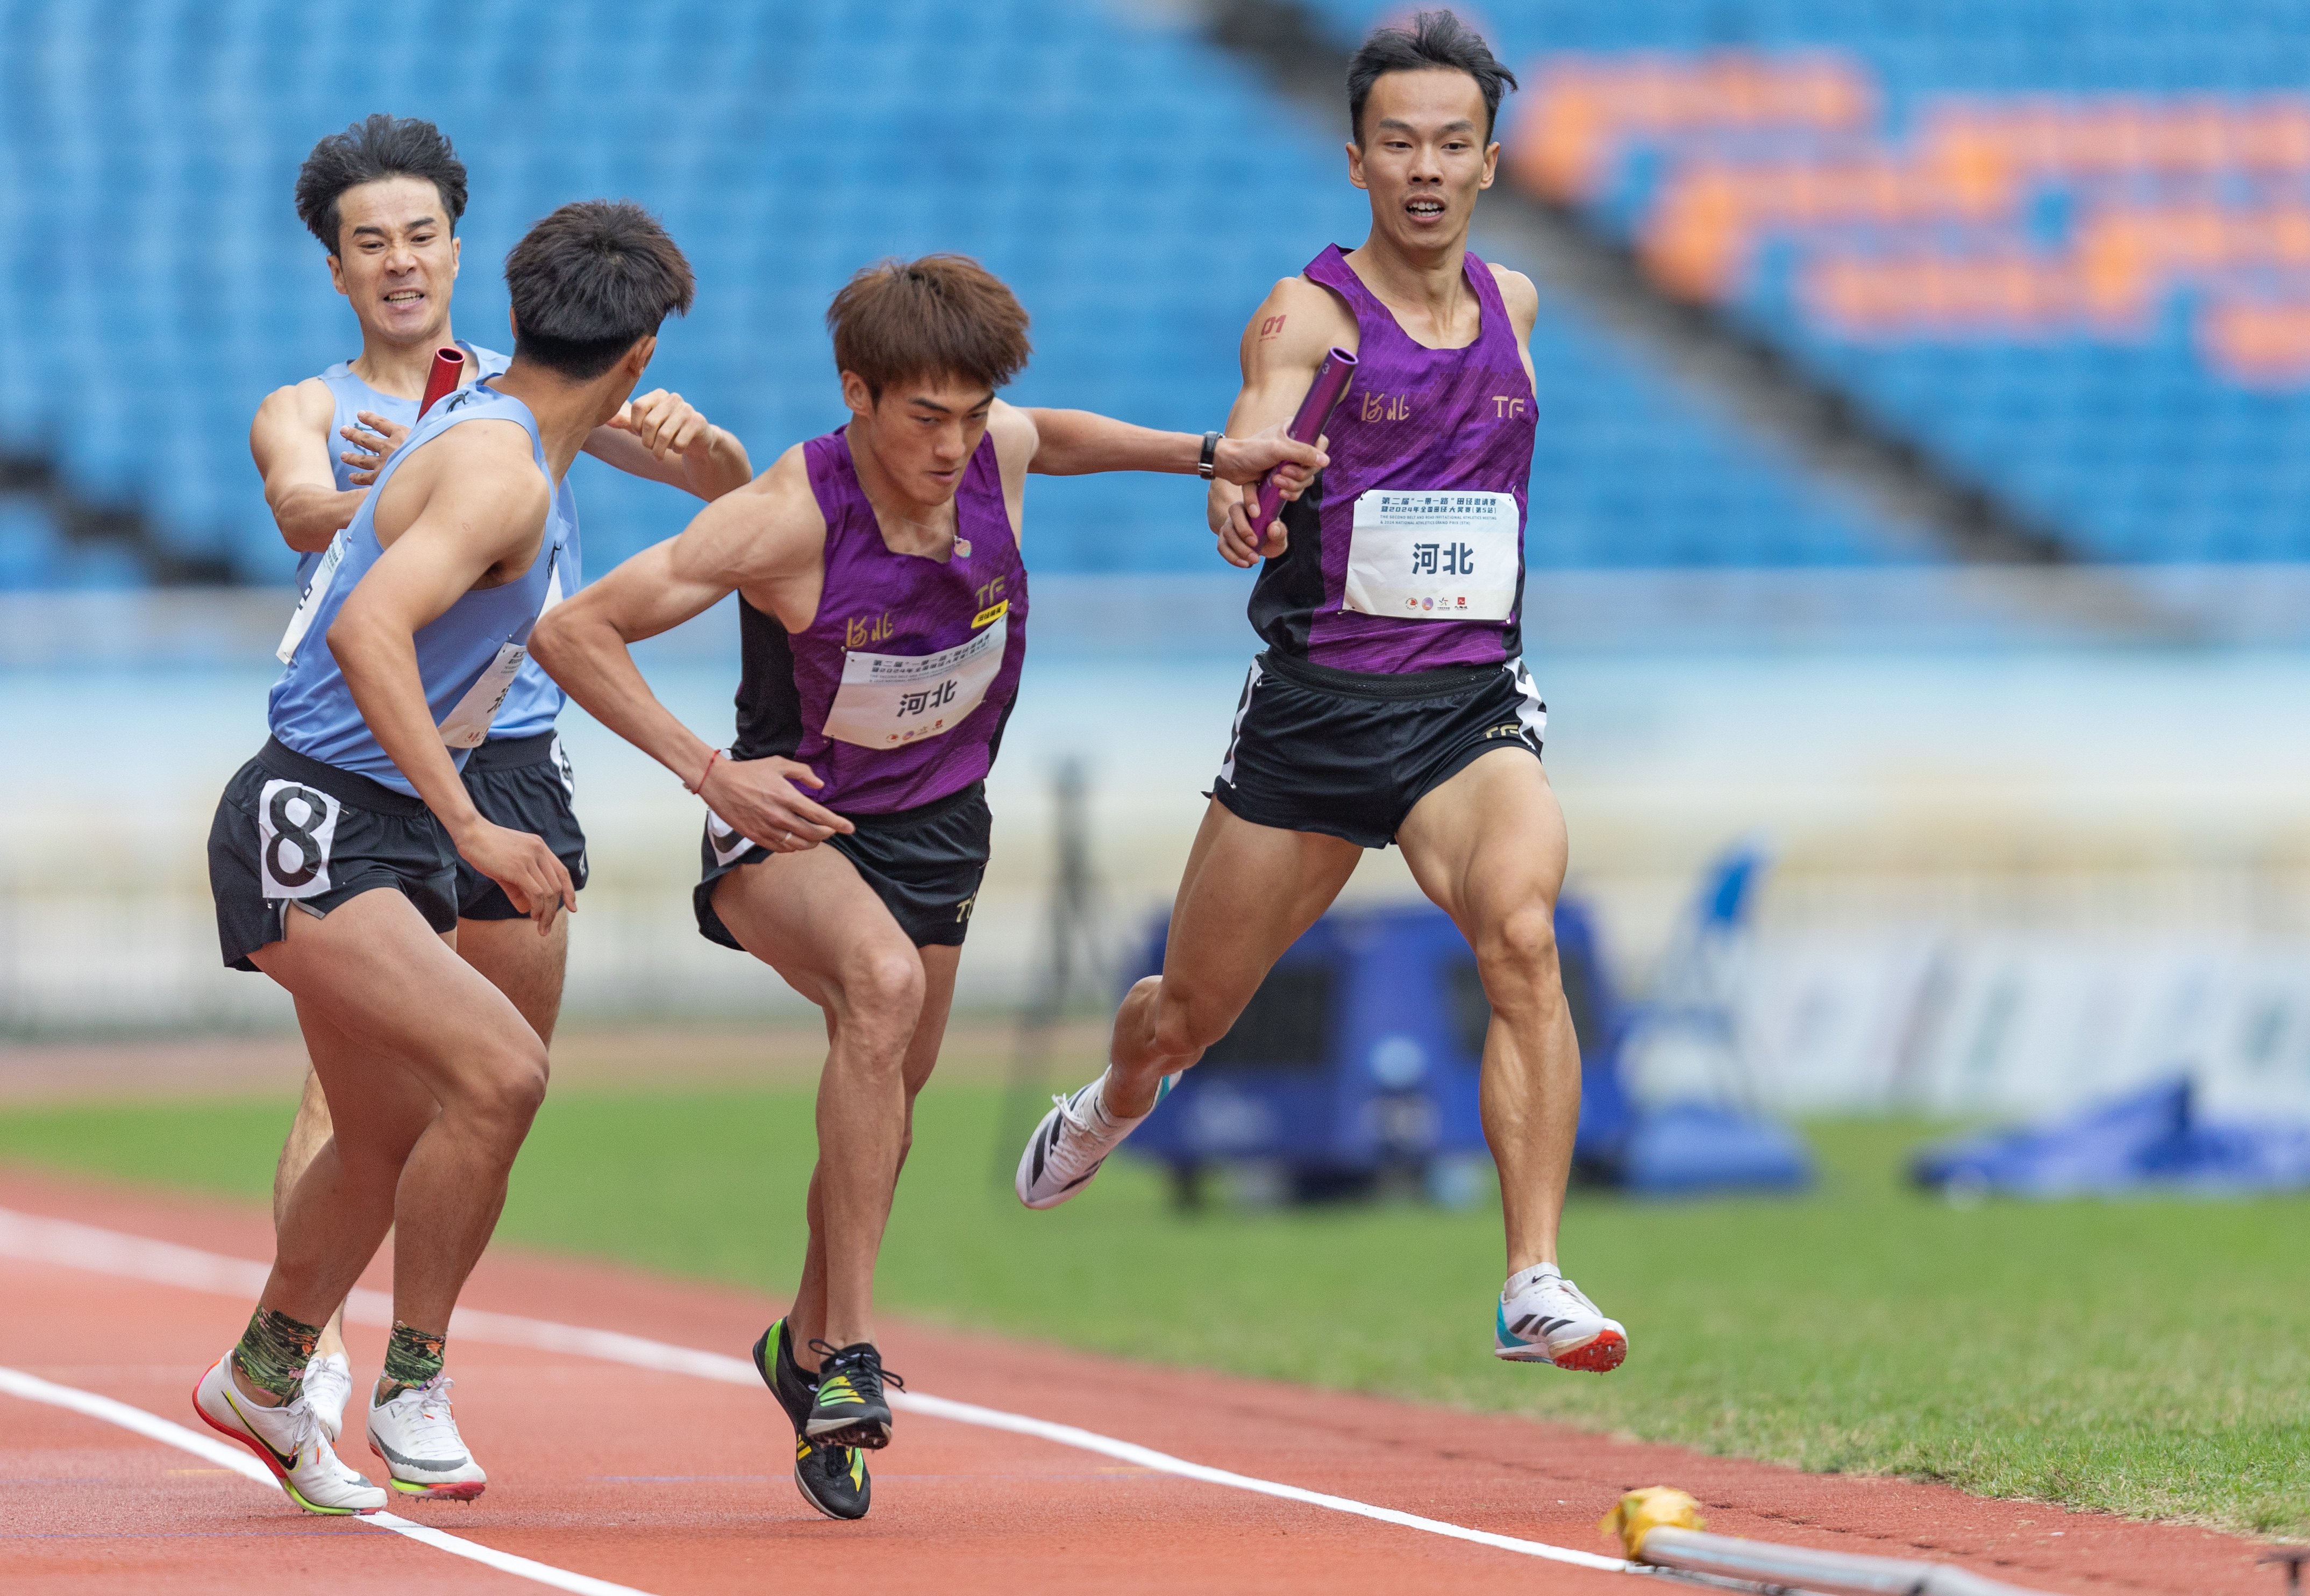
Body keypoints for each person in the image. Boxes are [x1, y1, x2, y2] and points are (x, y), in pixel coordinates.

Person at [532, 254, 1324, 1520]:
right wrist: (707, 774)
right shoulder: (787, 517)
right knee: (882, 988)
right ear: (857, 393)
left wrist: (1207, 455)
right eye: (924, 418)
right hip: (789, 821)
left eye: (970, 414)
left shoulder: (989, 448)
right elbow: (573, 631)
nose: (956, 445)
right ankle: (852, 1354)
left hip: (939, 829)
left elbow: (1048, 434)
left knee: (886, 1104)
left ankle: (800, 1347)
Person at [1011, 10, 1628, 1378]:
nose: (1424, 168)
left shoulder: (1516, 305)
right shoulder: (1309, 311)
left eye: (1451, 145)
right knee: (1190, 1017)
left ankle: (1532, 1276)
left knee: (1521, 935)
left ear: (1488, 161)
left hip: (1468, 706)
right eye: (1398, 143)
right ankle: (1114, 1100)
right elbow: (1262, 414)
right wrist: (1239, 482)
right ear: (1356, 160)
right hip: (1315, 712)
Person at [246, 114, 750, 1440]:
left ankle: (406, 1357)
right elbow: (308, 518)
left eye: (421, 236)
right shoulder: (332, 414)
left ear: (461, 253)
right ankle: (319, 1348)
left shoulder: (526, 392)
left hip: (508, 755)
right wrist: (392, 494)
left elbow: (716, 489)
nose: (401, 261)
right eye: (372, 243)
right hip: (369, 765)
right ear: (338, 267)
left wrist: (705, 447)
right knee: (384, 1085)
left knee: (495, 1078)